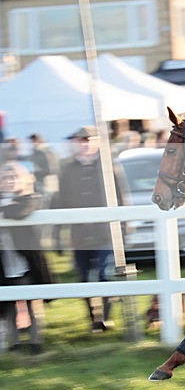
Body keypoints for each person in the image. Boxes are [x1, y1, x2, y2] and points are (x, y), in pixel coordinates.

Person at [52, 125, 132, 332]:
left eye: (88, 139)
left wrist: (125, 228)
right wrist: (57, 235)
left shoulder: (108, 167)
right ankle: (92, 318)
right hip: (79, 234)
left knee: (105, 274)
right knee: (83, 276)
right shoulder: (67, 169)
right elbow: (60, 202)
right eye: (80, 140)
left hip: (106, 232)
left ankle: (105, 317)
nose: (84, 144)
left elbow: (122, 198)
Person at [0, 161, 52, 353]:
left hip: (26, 262)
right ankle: (13, 344)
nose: (9, 181)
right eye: (5, 177)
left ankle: (35, 342)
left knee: (32, 302)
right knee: (7, 306)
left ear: (22, 179)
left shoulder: (30, 197)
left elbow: (21, 212)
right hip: (4, 263)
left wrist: (5, 208)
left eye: (13, 177)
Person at [25, 133, 59, 202]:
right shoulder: (34, 153)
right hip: (38, 183)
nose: (32, 143)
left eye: (34, 141)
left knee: (48, 202)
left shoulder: (47, 152)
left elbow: (52, 169)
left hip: (47, 184)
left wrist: (37, 169)